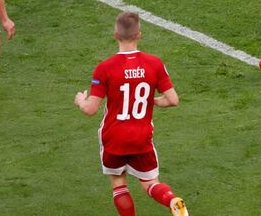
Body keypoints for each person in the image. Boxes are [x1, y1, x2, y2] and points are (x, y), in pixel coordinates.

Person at [75, 12, 188, 216]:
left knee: (119, 185)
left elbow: (90, 109)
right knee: (150, 184)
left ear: (115, 34)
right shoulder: (154, 63)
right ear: (139, 35)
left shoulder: (104, 68)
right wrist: (151, 101)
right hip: (141, 137)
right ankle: (173, 200)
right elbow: (173, 100)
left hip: (113, 137)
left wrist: (80, 101)